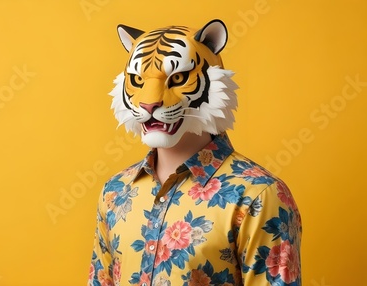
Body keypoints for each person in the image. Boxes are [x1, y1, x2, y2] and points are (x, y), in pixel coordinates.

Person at [88, 19, 302, 286]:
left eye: (177, 78)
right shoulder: (115, 192)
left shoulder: (258, 195)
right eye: (138, 80)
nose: (150, 101)